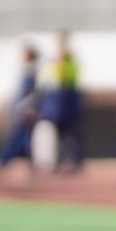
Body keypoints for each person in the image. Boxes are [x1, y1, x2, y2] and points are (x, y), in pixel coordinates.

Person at [0, 43, 41, 177]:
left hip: (23, 112)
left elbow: (30, 94)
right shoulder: (27, 71)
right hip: (21, 111)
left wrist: (26, 108)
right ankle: (7, 165)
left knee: (16, 139)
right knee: (23, 141)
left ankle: (3, 164)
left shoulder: (31, 72)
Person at [43, 32, 83, 173]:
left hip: (68, 99)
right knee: (59, 134)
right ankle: (61, 161)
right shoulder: (54, 59)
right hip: (58, 100)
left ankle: (74, 161)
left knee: (71, 133)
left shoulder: (70, 59)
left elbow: (69, 79)